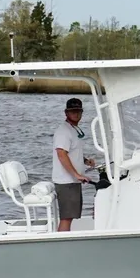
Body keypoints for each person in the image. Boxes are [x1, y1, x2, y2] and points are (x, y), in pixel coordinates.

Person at [52, 97, 95, 231]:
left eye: (78, 111)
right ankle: (61, 243)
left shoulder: (73, 129)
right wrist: (76, 175)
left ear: (82, 112)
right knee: (67, 217)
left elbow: (71, 151)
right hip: (66, 182)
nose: (76, 114)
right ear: (66, 113)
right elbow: (61, 154)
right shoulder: (63, 131)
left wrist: (85, 161)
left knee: (70, 216)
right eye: (72, 111)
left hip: (73, 181)